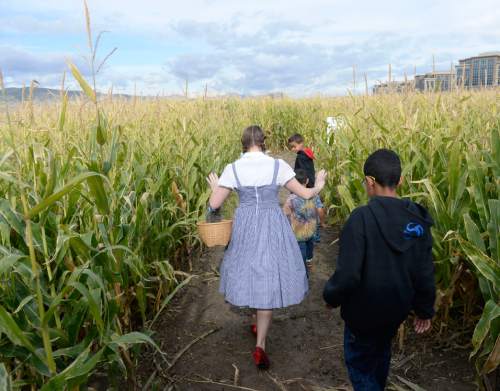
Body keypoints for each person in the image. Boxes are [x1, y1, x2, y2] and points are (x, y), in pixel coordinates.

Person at [207, 125, 327, 370]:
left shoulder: (233, 168)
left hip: (246, 225)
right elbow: (305, 193)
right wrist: (319, 186)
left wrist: (214, 188)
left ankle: (255, 323)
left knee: (251, 269)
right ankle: (260, 344)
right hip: (272, 223)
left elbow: (214, 204)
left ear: (243, 143)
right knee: (269, 273)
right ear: (263, 142)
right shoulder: (277, 166)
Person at [323, 149, 435, 391]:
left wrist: (331, 297)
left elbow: (348, 274)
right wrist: (424, 310)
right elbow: (424, 270)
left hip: (362, 315)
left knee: (361, 367)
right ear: (400, 180)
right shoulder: (416, 221)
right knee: (381, 354)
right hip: (395, 313)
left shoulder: (360, 218)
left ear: (370, 182)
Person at [288, 133, 327, 238]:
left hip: (304, 186)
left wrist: (296, 187)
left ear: (301, 144)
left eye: (294, 146)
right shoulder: (308, 153)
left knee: (301, 210)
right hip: (311, 184)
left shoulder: (301, 157)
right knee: (314, 210)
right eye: (291, 147)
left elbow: (300, 172)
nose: (292, 149)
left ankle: (300, 231)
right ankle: (316, 234)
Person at [283, 169, 322, 272]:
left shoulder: (291, 198)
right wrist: (322, 221)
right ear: (307, 180)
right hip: (312, 229)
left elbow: (285, 214)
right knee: (310, 245)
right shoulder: (314, 195)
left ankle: (303, 268)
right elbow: (320, 210)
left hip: (298, 232)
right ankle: (309, 262)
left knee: (301, 250)